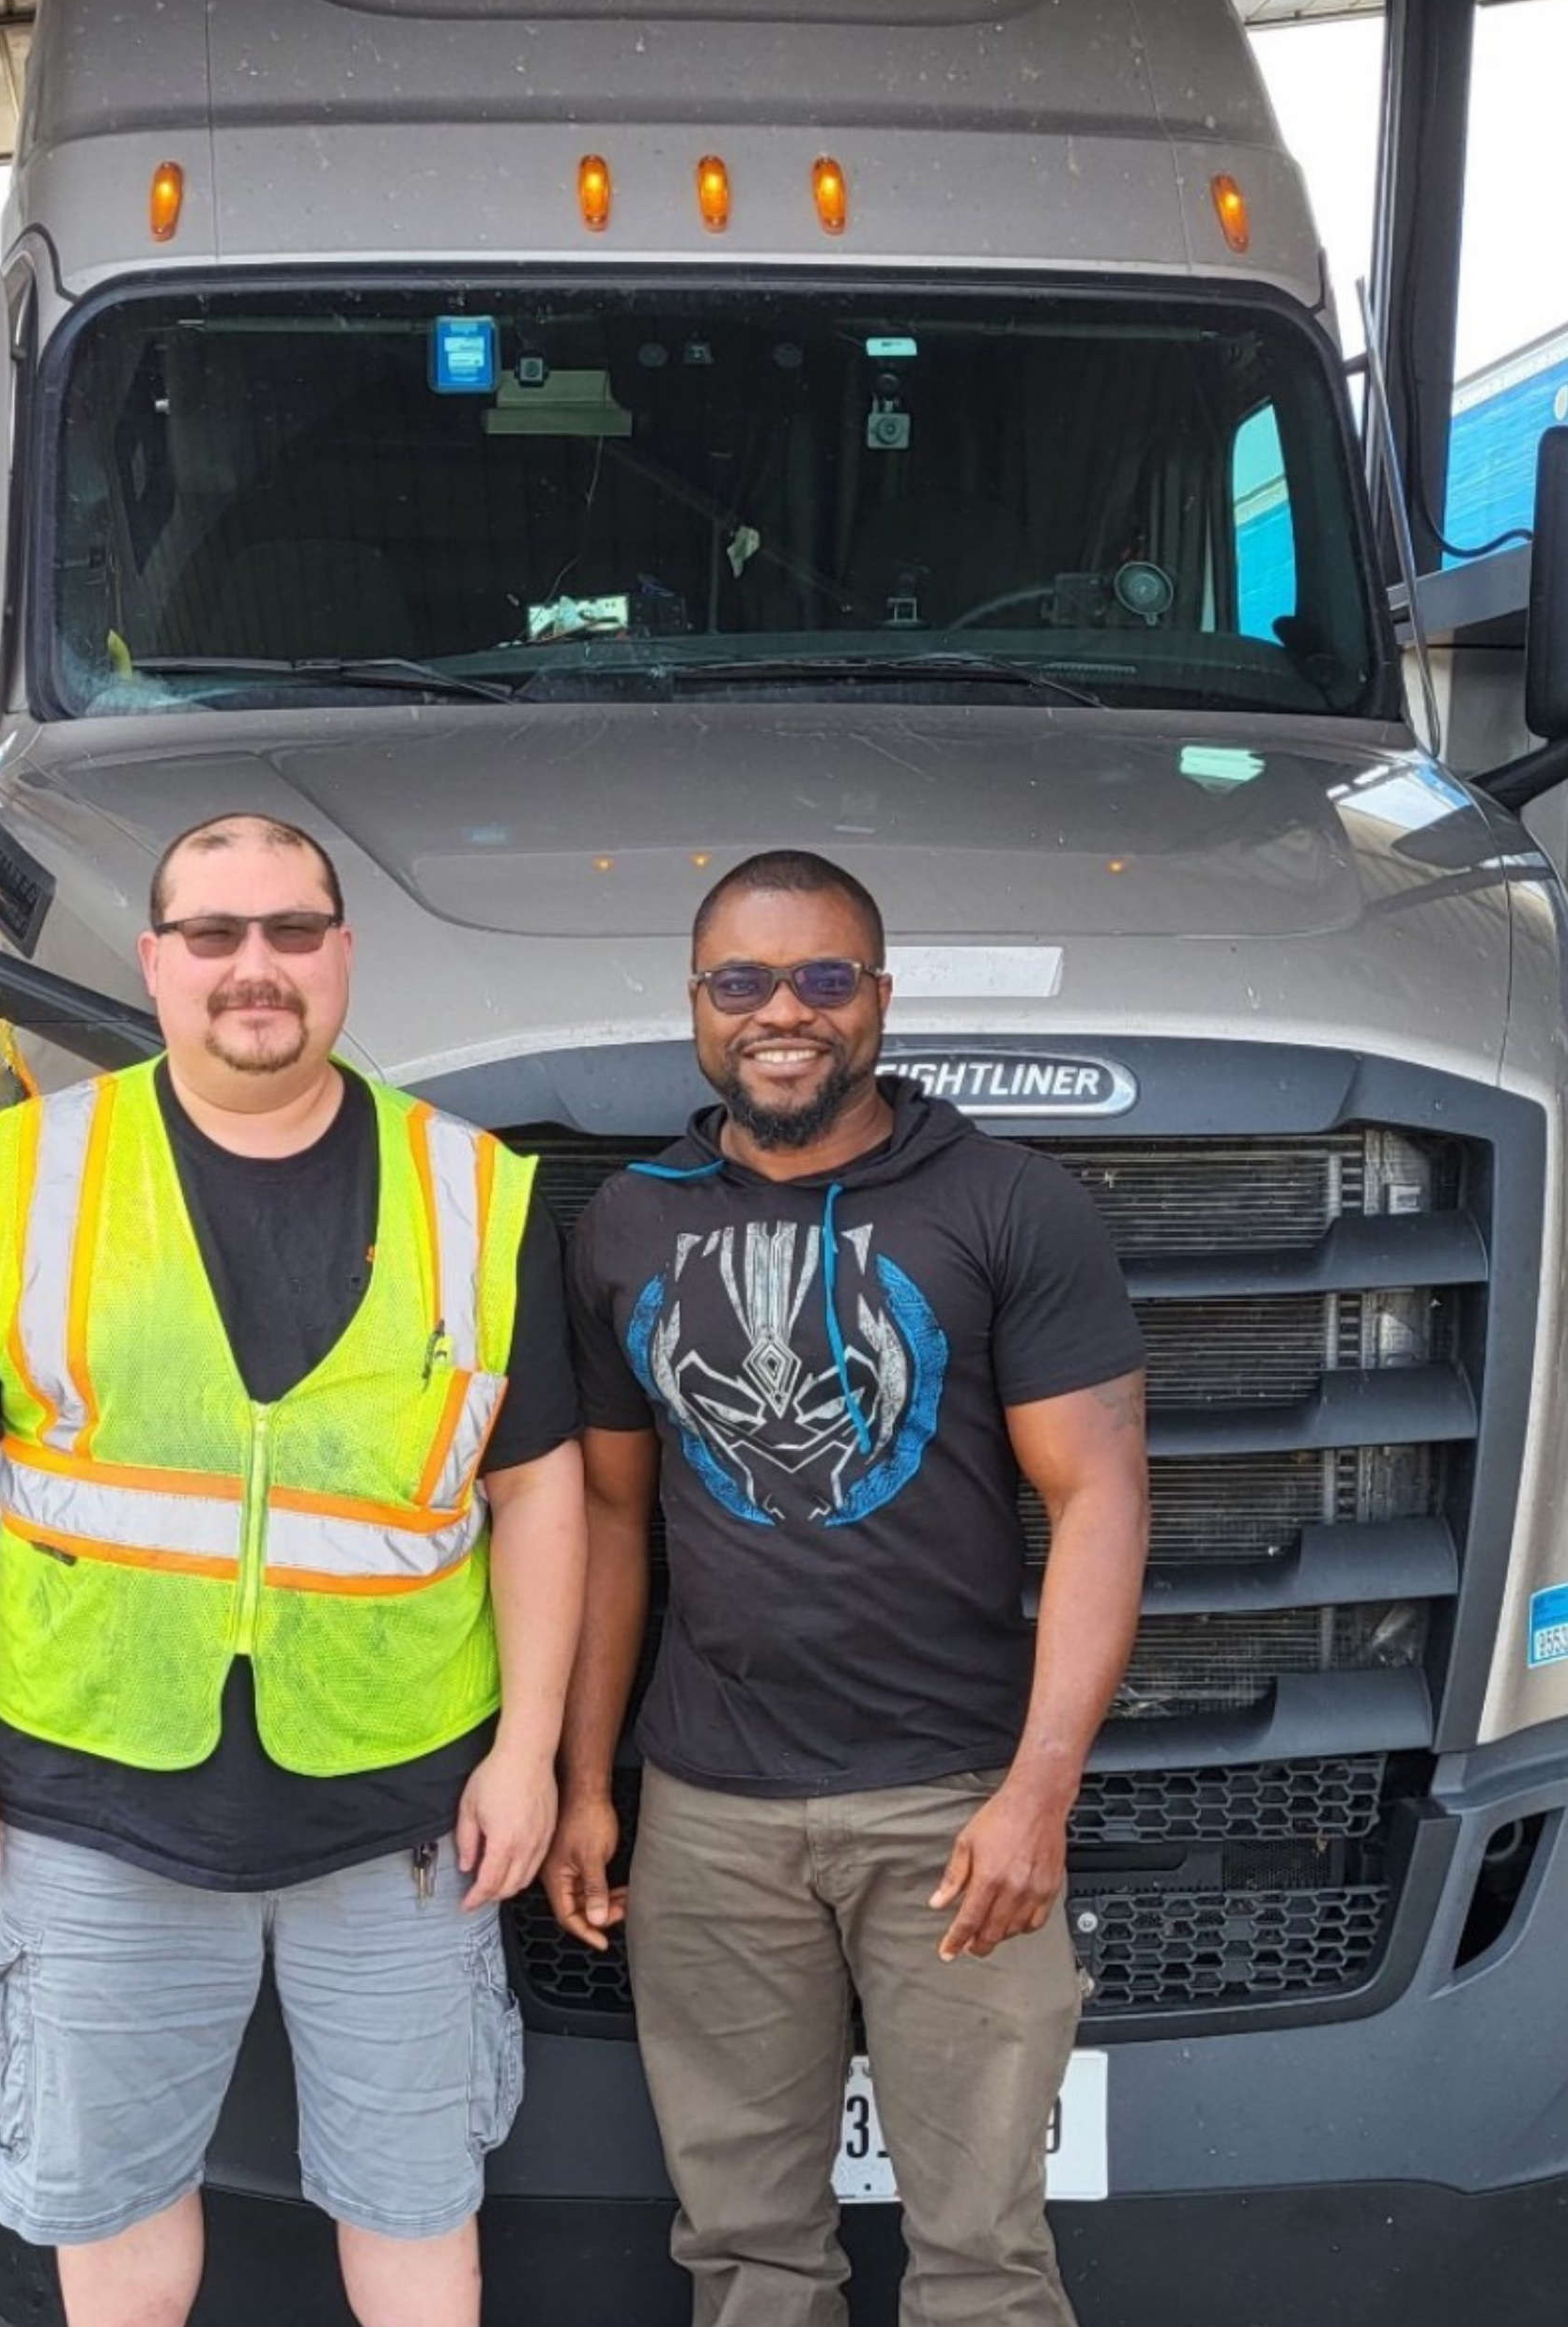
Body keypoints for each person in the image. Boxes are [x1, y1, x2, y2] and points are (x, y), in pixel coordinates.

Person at [0, 811, 585, 2327]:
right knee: (117, 2226)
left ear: (343, 954)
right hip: (104, 1804)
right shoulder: (26, 1173)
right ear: (159, 960)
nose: (259, 968)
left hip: (404, 1821)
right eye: (217, 935)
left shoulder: (479, 1192)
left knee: (418, 2211)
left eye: (293, 931)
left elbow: (542, 1491)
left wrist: (529, 1757)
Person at [545, 847, 1149, 2327]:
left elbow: (1099, 1498)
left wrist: (1037, 1794)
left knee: (985, 2260)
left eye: (825, 978)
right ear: (697, 1004)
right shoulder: (627, 1222)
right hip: (712, 1814)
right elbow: (612, 1523)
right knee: (745, 2256)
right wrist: (585, 1783)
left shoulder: (1008, 1202)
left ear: (880, 997)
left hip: (948, 1807)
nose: (784, 1012)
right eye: (743, 981)